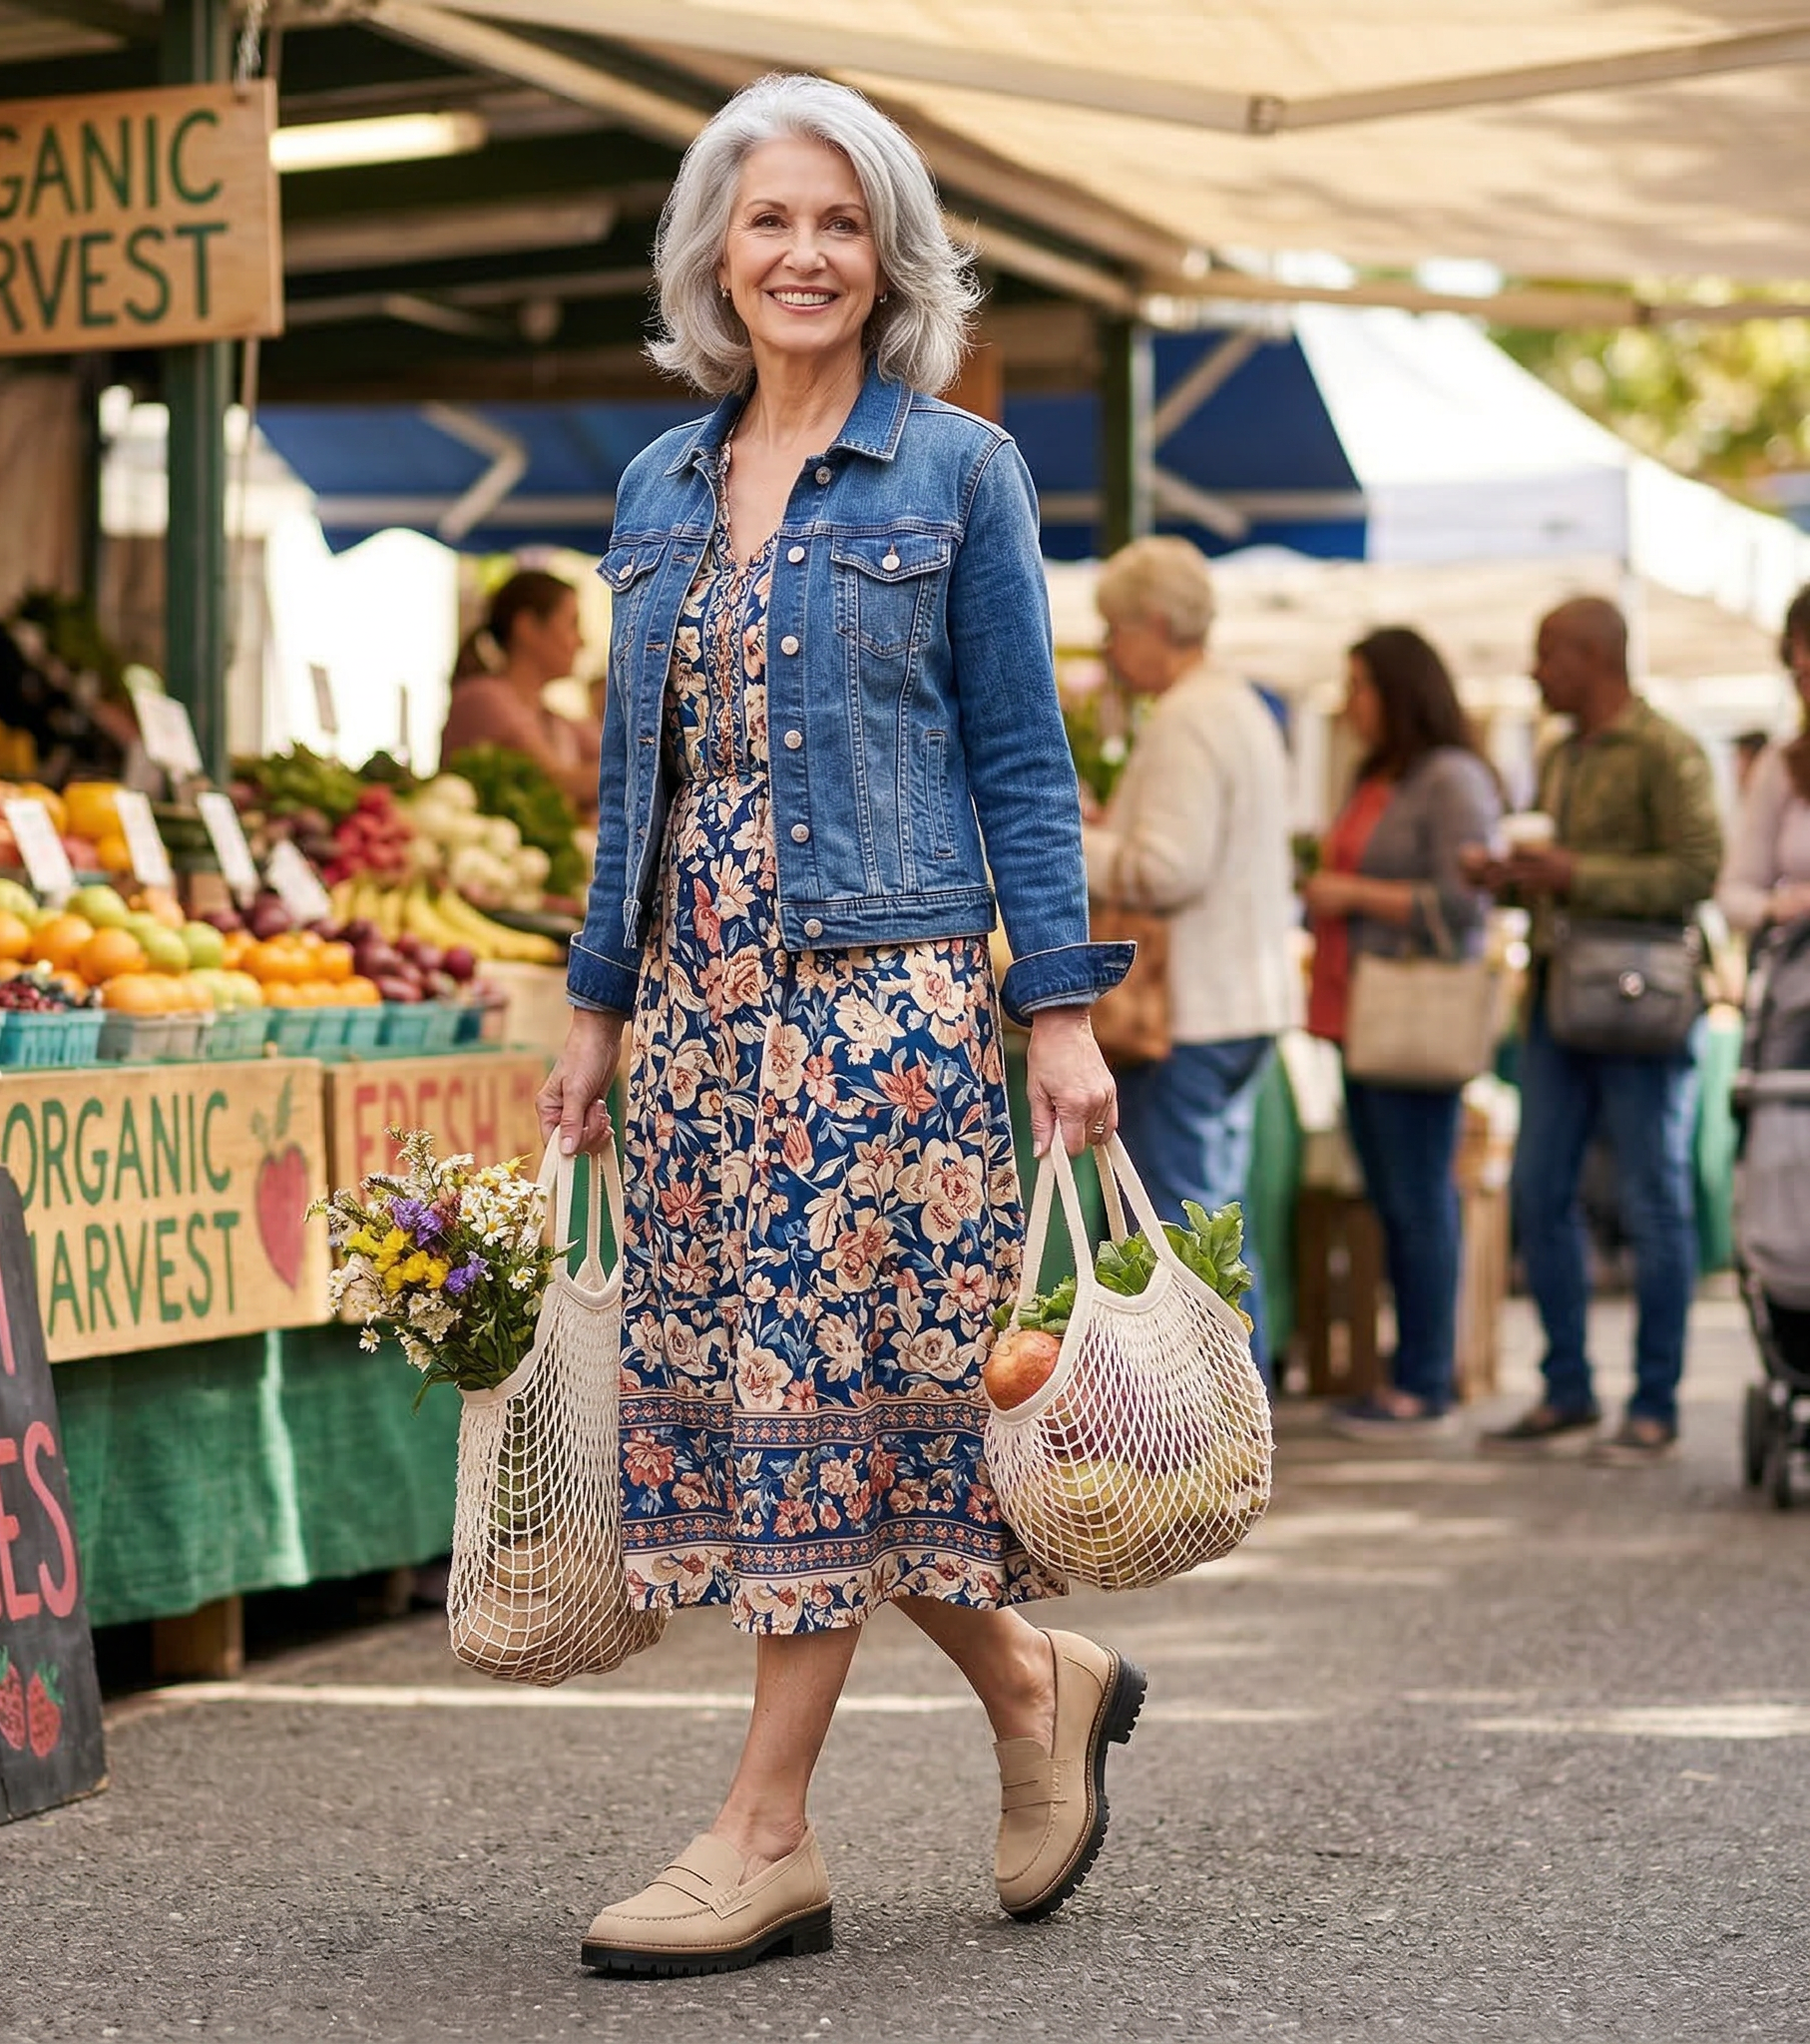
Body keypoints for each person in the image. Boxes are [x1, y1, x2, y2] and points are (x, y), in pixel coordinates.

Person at [537, 75, 1138, 1977]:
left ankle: (764, 1833)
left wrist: (1057, 1014)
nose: (802, 255)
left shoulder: (956, 469)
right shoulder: (652, 488)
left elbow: (1020, 769)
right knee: (811, 1424)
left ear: (889, 259)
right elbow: (634, 785)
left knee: (819, 1405)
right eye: (769, 220)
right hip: (703, 1018)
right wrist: (593, 1004)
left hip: (878, 1009)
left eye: (839, 224)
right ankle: (1038, 1680)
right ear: (717, 251)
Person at [1467, 598, 1722, 1465]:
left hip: (1639, 1000)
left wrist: (1572, 871)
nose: (1538, 672)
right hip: (1559, 998)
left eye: (1548, 655)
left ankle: (1655, 1404)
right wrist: (1511, 875)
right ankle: (1567, 1389)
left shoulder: (1666, 749)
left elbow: (1696, 870)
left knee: (1655, 1199)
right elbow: (1564, 875)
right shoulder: (1559, 752)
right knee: (1540, 1192)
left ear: (1590, 656)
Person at [1081, 537, 1297, 1384]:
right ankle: (1240, 1404)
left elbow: (1166, 868)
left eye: (1114, 629)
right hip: (1237, 1003)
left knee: (1180, 1237)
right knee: (1213, 1230)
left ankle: (1216, 1421)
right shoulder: (1236, 705)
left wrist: (1074, 839)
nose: (1107, 648)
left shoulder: (1190, 716)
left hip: (1191, 1015)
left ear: (1156, 625)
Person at [1301, 629, 1501, 1436]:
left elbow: (1463, 902)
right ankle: (1407, 1371)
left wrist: (1349, 893)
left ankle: (1425, 1382)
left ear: (1400, 689)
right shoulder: (1377, 774)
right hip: (1358, 1013)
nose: (1350, 705)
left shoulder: (1452, 779)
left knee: (1418, 1200)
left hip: (1410, 1015)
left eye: (1360, 687)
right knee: (1390, 1199)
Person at [439, 568, 601, 811]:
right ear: (526, 627)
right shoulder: (482, 698)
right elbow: (556, 783)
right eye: (572, 624)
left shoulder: (550, 718)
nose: (581, 642)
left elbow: (613, 753)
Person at [1719, 586, 1810, 936]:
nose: (1801, 662)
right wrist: (1776, 908)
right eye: (1796, 652)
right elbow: (1734, 892)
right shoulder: (1783, 764)